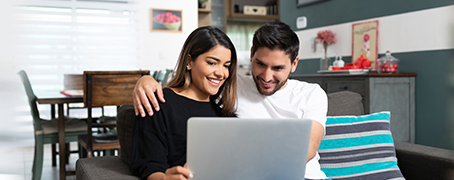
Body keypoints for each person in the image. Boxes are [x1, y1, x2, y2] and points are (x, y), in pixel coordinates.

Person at [133, 21, 330, 180]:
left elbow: (308, 149)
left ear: (294, 64)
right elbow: (150, 163)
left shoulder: (311, 94)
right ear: (252, 55)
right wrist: (144, 80)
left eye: (278, 68)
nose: (267, 77)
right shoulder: (228, 92)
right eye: (260, 64)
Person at [129, 26, 238, 180]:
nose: (221, 73)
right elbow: (150, 166)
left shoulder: (226, 115)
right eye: (212, 63)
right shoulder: (158, 103)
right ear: (189, 61)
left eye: (226, 65)